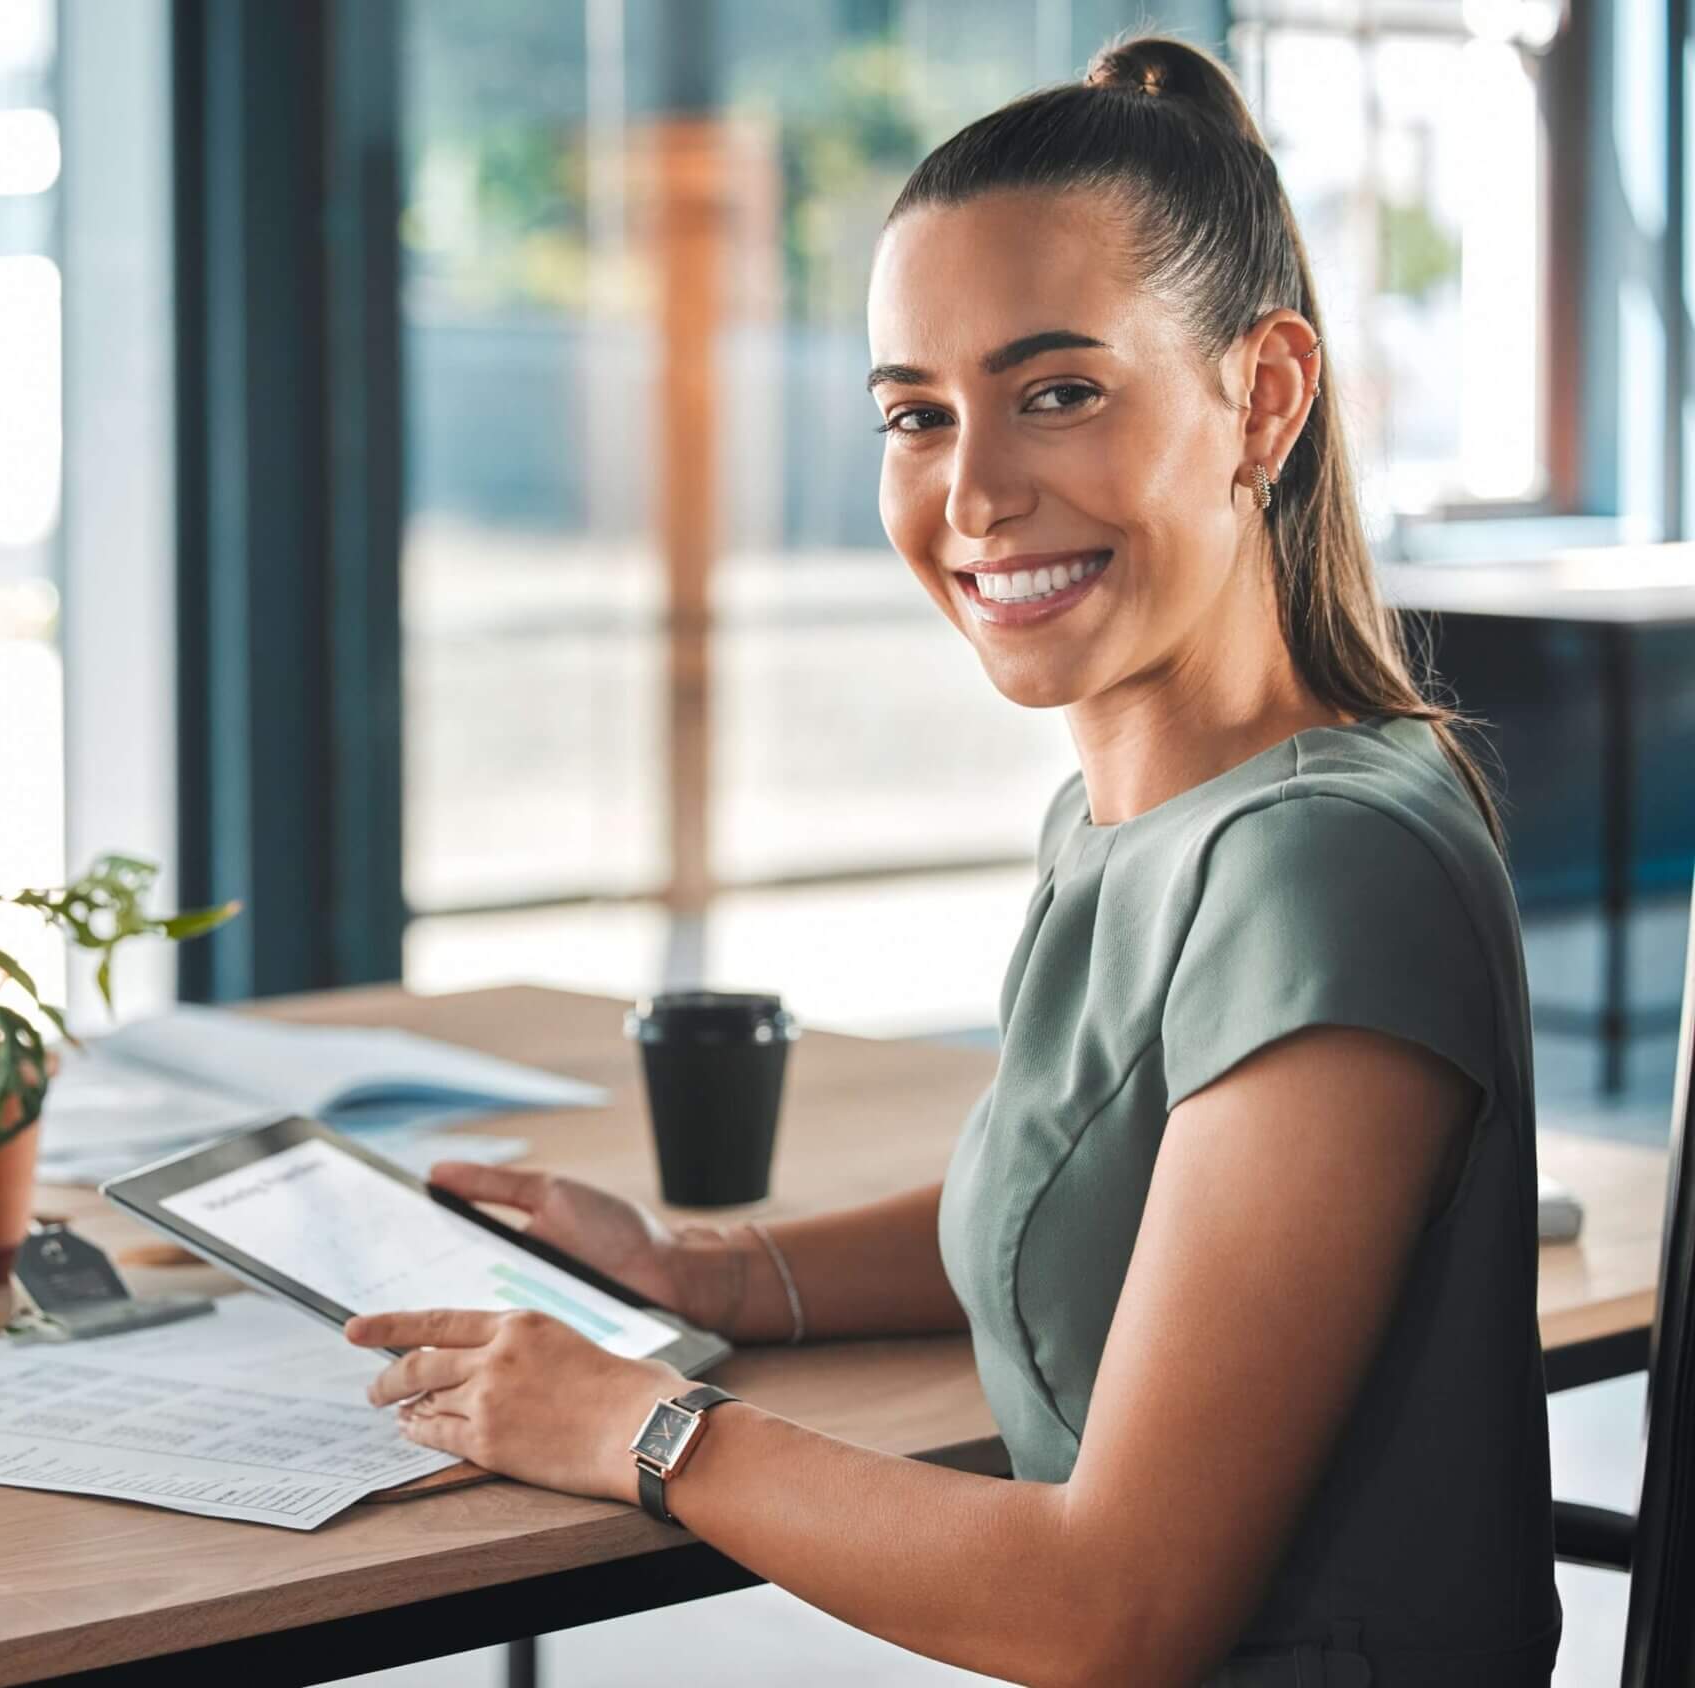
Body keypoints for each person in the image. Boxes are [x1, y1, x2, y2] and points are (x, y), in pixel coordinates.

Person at [346, 37, 1559, 1687]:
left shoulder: (1326, 868)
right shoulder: (1141, 818)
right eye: (918, 415)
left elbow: (1110, 1606)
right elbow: (1095, 1213)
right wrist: (701, 1272)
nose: (975, 491)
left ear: (1261, 396)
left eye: (1059, 391)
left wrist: (638, 1421)